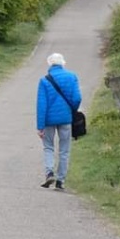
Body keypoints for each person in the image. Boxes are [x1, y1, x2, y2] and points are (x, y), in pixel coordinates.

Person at [36, 52, 81, 191]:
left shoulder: (44, 80)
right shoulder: (72, 77)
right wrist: (72, 109)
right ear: (63, 63)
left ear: (50, 64)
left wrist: (40, 126)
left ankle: (49, 172)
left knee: (48, 147)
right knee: (64, 150)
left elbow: (41, 104)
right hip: (66, 119)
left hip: (49, 120)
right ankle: (60, 181)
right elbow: (77, 98)